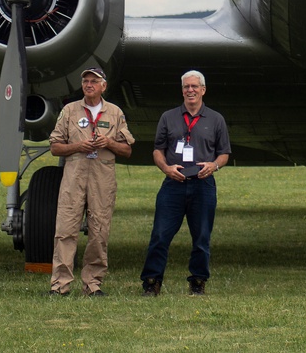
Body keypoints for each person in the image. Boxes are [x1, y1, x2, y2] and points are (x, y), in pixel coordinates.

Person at [140, 70, 232, 296]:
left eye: (194, 86)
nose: (190, 90)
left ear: (203, 90)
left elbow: (224, 153)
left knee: (201, 237)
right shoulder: (168, 117)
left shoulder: (216, 119)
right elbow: (157, 150)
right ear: (182, 90)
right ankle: (152, 282)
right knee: (160, 234)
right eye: (186, 87)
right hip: (173, 184)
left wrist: (214, 166)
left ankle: (198, 282)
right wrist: (166, 168)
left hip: (203, 184)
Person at [48, 67, 134, 297]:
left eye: (94, 81)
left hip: (102, 179)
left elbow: (127, 150)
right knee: (65, 230)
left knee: (99, 232)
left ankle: (93, 284)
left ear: (103, 86)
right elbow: (55, 147)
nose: (89, 85)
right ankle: (60, 285)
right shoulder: (69, 111)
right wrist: (77, 146)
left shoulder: (115, 113)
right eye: (85, 81)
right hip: (74, 178)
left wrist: (108, 143)